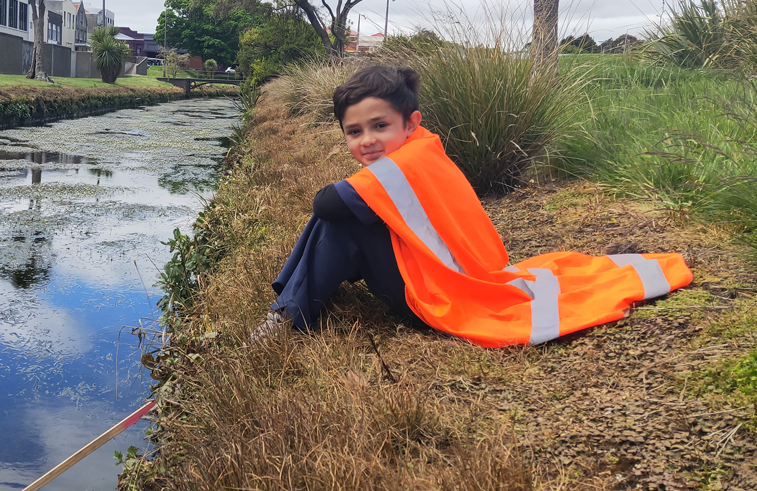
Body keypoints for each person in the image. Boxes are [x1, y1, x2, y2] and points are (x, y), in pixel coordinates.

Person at [253, 65, 693, 347]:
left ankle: (289, 315)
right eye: (354, 132)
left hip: (437, 298)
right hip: (451, 276)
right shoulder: (424, 150)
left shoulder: (404, 164)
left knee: (338, 221)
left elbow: (325, 203)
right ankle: (292, 306)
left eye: (380, 126)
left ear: (411, 124)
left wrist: (344, 200)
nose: (367, 141)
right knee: (345, 215)